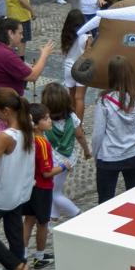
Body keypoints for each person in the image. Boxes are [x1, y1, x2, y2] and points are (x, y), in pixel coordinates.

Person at [0, 87, 35, 270]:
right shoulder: (28, 126)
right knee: (14, 232)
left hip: (2, 194)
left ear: (6, 111)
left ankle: (17, 265)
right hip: (20, 191)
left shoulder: (6, 137)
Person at [92, 55, 135, 204]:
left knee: (105, 199)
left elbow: (98, 133)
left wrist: (95, 154)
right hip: (134, 153)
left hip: (110, 155)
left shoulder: (104, 101)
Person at [0, 18, 53, 124]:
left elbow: (6, 67)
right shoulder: (6, 55)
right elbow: (33, 76)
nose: (22, 36)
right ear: (10, 33)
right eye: (20, 33)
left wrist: (24, 66)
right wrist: (44, 55)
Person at [22, 103, 66, 269]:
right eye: (46, 119)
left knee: (28, 221)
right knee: (43, 223)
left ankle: (22, 256)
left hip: (29, 186)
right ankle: (39, 257)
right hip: (42, 188)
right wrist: (63, 166)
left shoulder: (27, 138)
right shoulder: (42, 142)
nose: (50, 121)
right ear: (36, 123)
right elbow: (47, 172)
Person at [42, 82, 91, 221]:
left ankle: (77, 214)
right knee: (55, 190)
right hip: (68, 159)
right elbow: (80, 135)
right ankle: (54, 217)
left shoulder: (45, 121)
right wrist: (86, 151)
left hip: (53, 163)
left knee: (54, 193)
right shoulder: (72, 117)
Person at [61, 9, 90, 123]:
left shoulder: (66, 35)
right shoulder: (86, 37)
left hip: (68, 67)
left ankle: (71, 122)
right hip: (81, 68)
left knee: (72, 97)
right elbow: (89, 54)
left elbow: (64, 52)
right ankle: (79, 125)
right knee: (80, 98)